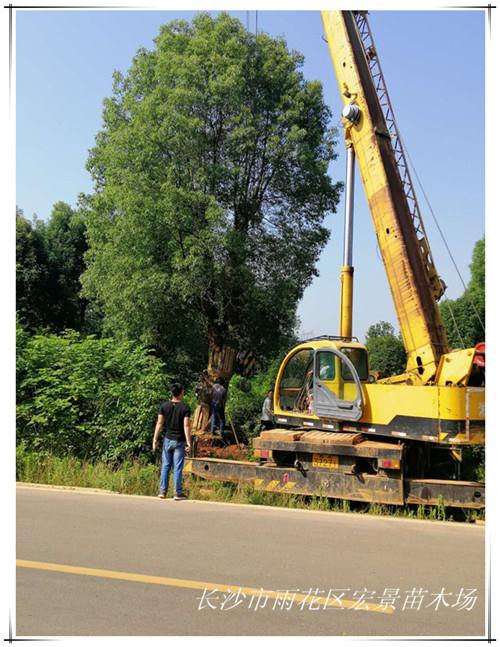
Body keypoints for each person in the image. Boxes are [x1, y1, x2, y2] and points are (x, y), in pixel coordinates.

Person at [153, 383, 192, 500]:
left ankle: (163, 491)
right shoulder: (185, 408)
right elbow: (186, 425)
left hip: (167, 440)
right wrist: (188, 442)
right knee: (177, 467)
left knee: (165, 465)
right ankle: (177, 493)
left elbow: (159, 423)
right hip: (179, 441)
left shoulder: (164, 406)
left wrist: (155, 438)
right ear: (181, 393)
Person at [210, 377, 227, 443]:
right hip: (219, 404)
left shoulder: (213, 386)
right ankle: (221, 432)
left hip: (213, 402)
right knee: (222, 419)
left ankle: (212, 431)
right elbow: (224, 400)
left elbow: (211, 394)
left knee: (214, 416)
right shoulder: (224, 389)